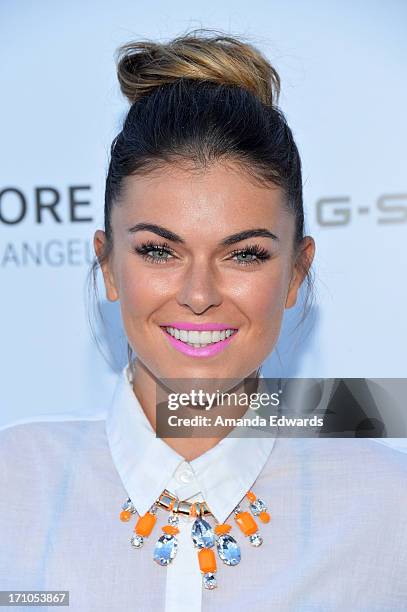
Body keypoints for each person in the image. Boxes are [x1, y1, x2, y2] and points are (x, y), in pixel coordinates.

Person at [0, 29, 406, 612]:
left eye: (245, 254)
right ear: (109, 266)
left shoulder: (390, 511)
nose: (198, 295)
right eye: (159, 251)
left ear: (296, 274)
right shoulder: (14, 484)